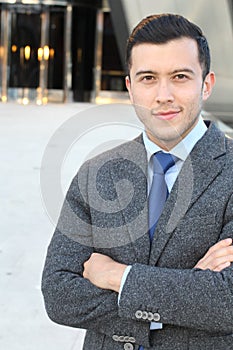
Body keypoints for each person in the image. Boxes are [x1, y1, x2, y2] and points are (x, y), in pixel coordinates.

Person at [42, 14, 233, 350]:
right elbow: (59, 293)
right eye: (148, 78)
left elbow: (227, 301)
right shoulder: (95, 173)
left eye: (179, 76)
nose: (163, 95)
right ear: (130, 87)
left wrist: (118, 277)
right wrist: (189, 291)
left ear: (206, 83)